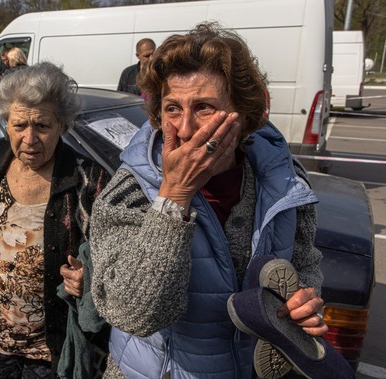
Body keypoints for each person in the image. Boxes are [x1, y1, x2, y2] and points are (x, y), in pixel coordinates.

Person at [90, 22, 327, 378]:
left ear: (243, 112)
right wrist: (173, 198)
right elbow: (132, 314)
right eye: (172, 108)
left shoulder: (284, 180)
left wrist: (305, 299)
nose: (185, 129)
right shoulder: (129, 189)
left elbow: (305, 262)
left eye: (203, 107)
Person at [0, 62, 111, 378]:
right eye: (19, 126)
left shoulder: (88, 179)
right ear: (6, 124)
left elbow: (115, 261)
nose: (29, 139)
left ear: (62, 125)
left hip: (50, 351)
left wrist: (91, 279)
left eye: (42, 126)